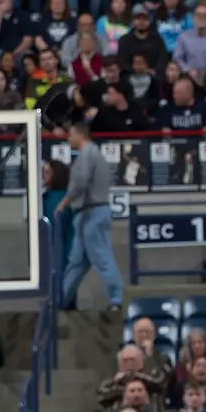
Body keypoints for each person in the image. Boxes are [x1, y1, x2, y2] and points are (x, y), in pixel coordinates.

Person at [59, 123, 123, 311]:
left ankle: (116, 300)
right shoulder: (92, 154)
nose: (68, 139)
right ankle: (60, 300)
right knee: (76, 262)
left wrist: (66, 200)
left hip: (92, 212)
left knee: (102, 257)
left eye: (70, 134)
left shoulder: (88, 154)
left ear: (80, 135)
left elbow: (81, 180)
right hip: (86, 214)